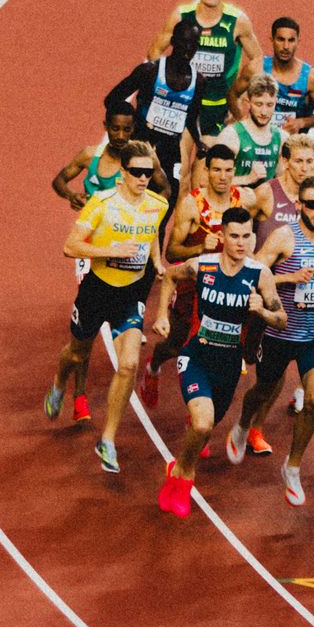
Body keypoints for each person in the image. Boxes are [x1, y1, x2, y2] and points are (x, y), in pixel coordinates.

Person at [152, 209, 285, 517]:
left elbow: (281, 318)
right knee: (200, 424)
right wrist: (161, 314)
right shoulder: (203, 266)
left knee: (207, 428)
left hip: (228, 367)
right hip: (196, 355)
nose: (241, 243)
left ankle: (178, 467)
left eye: (247, 236)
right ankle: (184, 479)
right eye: (235, 236)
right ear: (223, 237)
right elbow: (170, 275)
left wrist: (262, 311)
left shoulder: (259, 274)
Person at [43, 141, 166, 474]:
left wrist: (156, 258)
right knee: (77, 353)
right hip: (97, 291)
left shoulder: (158, 204)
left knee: (128, 365)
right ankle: (58, 382)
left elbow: (151, 233)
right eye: (137, 172)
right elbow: (71, 246)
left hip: (129, 295)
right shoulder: (102, 203)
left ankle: (107, 440)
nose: (143, 178)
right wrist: (111, 250)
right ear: (122, 174)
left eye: (148, 173)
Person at [227, 174, 314, 504]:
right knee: (263, 390)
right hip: (280, 332)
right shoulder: (283, 237)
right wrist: (289, 277)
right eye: (313, 205)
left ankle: (292, 467)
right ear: (299, 205)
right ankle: (243, 424)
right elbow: (254, 272)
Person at [50, 105, 145, 424]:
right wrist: (72, 196)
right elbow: (59, 180)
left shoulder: (138, 166)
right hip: (90, 252)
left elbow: (160, 194)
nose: (120, 136)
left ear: (134, 130)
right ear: (106, 126)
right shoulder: (90, 156)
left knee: (100, 330)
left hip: (123, 255)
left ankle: (78, 395)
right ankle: (76, 394)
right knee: (85, 340)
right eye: (115, 129)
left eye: (126, 130)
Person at [137, 143, 248, 405]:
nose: (222, 176)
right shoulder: (191, 204)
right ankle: (154, 366)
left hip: (226, 289)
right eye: (217, 170)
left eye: (228, 170)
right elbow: (172, 253)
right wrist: (200, 247)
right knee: (175, 345)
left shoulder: (244, 200)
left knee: (215, 351)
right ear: (206, 170)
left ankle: (199, 412)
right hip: (192, 287)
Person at [148, 0, 262, 137]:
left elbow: (257, 59)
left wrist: (239, 94)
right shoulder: (181, 16)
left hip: (218, 104)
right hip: (184, 100)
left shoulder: (237, 21)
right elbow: (154, 53)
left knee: (210, 160)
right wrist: (166, 88)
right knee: (180, 160)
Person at [104, 17, 209, 203]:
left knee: (170, 196)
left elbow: (191, 116)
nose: (187, 49)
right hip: (142, 144)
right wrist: (130, 122)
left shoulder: (198, 81)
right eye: (183, 42)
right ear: (173, 41)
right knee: (132, 194)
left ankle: (157, 233)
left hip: (170, 149)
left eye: (193, 44)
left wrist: (199, 140)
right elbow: (112, 99)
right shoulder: (149, 71)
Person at [259, 16, 314, 132]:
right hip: (260, 142)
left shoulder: (311, 77)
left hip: (294, 145)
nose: (286, 46)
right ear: (272, 40)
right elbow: (235, 95)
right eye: (281, 39)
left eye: (291, 40)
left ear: (298, 42)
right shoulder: (258, 68)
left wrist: (301, 122)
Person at [215, 74, 283, 186]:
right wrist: (247, 179)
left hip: (265, 202)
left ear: (276, 102)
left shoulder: (281, 138)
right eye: (259, 104)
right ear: (248, 102)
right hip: (236, 202)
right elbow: (209, 181)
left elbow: (283, 182)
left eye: (270, 105)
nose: (264, 112)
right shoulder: (230, 136)